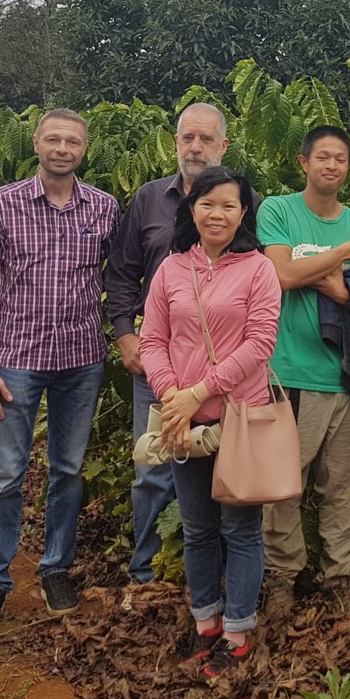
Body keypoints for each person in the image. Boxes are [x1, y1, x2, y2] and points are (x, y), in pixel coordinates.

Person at [0, 108, 119, 638]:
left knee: (68, 470)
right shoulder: (1, 203)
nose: (62, 148)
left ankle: (55, 570)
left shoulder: (103, 207)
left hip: (82, 359)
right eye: (53, 138)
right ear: (35, 143)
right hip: (17, 360)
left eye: (72, 141)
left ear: (85, 148)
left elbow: (117, 277)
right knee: (6, 474)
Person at [138, 167, 281, 679]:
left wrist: (199, 390)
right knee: (198, 528)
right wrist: (172, 395)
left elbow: (260, 343)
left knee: (240, 529)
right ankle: (205, 624)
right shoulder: (172, 269)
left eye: (228, 205)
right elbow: (152, 339)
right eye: (206, 203)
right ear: (191, 208)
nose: (216, 213)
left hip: (238, 420)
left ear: (244, 212)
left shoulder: (258, 268)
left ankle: (238, 629)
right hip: (184, 423)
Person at [105, 102, 242, 584]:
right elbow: (122, 271)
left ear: (224, 146)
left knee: (226, 472)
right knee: (154, 469)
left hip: (222, 376)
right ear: (176, 142)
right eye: (188, 138)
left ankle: (216, 573)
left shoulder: (242, 201)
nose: (196, 147)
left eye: (206, 139)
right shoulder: (147, 199)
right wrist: (126, 333)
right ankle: (146, 574)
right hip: (159, 364)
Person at [256, 125, 350, 616]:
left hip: (345, 377)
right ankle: (282, 578)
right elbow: (280, 274)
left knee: (347, 487)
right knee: (281, 486)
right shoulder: (279, 210)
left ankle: (340, 575)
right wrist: (340, 257)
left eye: (341, 160)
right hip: (288, 373)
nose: (332, 166)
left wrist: (339, 290)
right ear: (304, 162)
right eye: (323, 157)